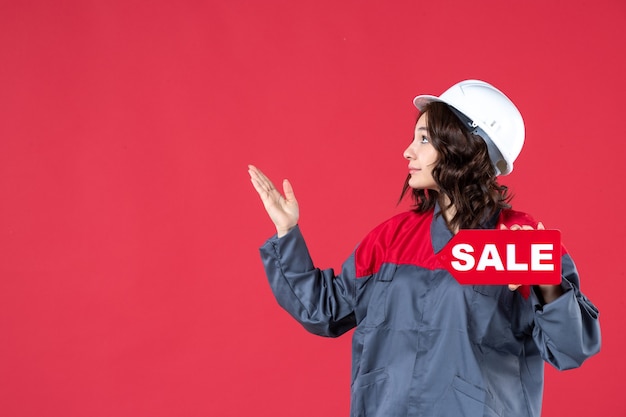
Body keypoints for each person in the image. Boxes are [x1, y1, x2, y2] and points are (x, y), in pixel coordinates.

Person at [247, 79, 601, 417]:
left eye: (424, 139)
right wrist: (287, 230)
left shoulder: (516, 238)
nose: (408, 150)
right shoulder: (390, 240)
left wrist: (547, 283)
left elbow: (570, 348)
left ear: (463, 146)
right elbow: (325, 311)